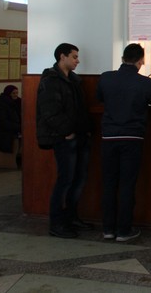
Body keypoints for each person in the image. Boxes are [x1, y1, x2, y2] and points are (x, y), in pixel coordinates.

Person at [97, 43, 151, 242]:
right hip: (132, 138)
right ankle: (124, 230)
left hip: (108, 137)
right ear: (141, 61)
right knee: (127, 184)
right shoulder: (145, 83)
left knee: (109, 183)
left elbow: (100, 98)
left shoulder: (106, 78)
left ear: (122, 59)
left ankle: (108, 229)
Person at [36, 43, 93, 238]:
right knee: (65, 180)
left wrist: (85, 130)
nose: (78, 61)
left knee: (79, 179)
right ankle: (57, 223)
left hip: (80, 136)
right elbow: (49, 112)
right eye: (74, 57)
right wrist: (66, 132)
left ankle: (71, 217)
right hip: (65, 138)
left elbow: (80, 109)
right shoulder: (51, 80)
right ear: (62, 57)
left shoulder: (74, 80)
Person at [0, 85, 23, 167]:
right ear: (8, 94)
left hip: (16, 127)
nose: (16, 95)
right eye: (13, 93)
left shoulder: (18, 102)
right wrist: (19, 127)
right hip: (5, 131)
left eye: (17, 93)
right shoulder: (2, 104)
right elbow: (3, 122)